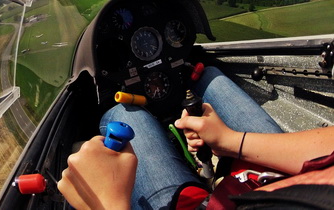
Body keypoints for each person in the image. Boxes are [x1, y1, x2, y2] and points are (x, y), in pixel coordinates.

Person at [58, 66, 334, 209]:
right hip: (278, 176)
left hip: (197, 205)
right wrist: (230, 140)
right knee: (209, 76)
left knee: (126, 113)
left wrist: (107, 205)